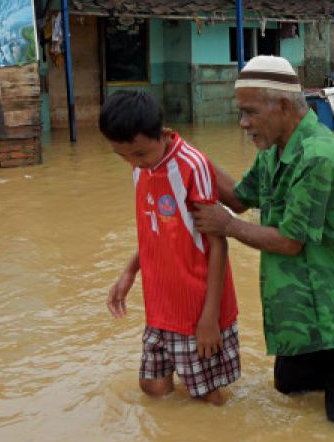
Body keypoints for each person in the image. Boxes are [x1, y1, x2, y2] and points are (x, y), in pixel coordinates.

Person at [192, 56, 334, 434]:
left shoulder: (319, 156)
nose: (243, 123)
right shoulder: (273, 152)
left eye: (249, 112)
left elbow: (290, 241)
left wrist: (228, 227)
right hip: (305, 312)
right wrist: (189, 157)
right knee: (290, 394)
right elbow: (239, 197)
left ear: (282, 107)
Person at [100, 89, 240, 406]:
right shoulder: (139, 166)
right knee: (153, 388)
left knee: (205, 396)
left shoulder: (193, 165)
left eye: (139, 154)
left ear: (162, 134)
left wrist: (210, 318)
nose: (134, 163)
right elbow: (157, 231)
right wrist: (129, 272)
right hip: (160, 305)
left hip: (195, 308)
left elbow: (218, 244)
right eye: (122, 156)